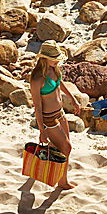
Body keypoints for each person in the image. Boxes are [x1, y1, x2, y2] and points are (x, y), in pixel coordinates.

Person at [29, 42, 79, 190]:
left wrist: (73, 99)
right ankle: (62, 181)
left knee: (64, 147)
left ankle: (63, 178)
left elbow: (60, 83)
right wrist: (41, 131)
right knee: (66, 147)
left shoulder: (54, 69)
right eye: (54, 58)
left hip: (60, 112)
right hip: (48, 117)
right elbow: (37, 106)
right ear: (44, 58)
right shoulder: (37, 79)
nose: (57, 60)